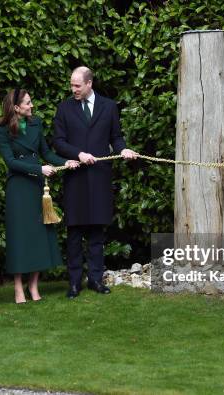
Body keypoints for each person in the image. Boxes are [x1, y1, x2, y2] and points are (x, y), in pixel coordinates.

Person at [53, 66, 138, 299]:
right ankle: (73, 283)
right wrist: (78, 154)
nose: (73, 89)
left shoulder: (109, 107)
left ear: (90, 84)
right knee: (74, 234)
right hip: (76, 179)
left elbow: (116, 137)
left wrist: (123, 150)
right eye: (71, 85)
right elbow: (58, 142)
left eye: (77, 85)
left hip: (100, 177)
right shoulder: (64, 108)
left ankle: (96, 280)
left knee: (96, 234)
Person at [0, 89, 80, 304]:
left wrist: (66, 162)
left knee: (38, 236)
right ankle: (18, 288)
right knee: (19, 238)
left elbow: (47, 153)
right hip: (18, 188)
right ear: (16, 107)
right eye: (28, 103)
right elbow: (10, 162)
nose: (32, 106)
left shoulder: (36, 123)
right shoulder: (2, 128)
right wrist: (38, 169)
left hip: (36, 187)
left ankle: (33, 286)